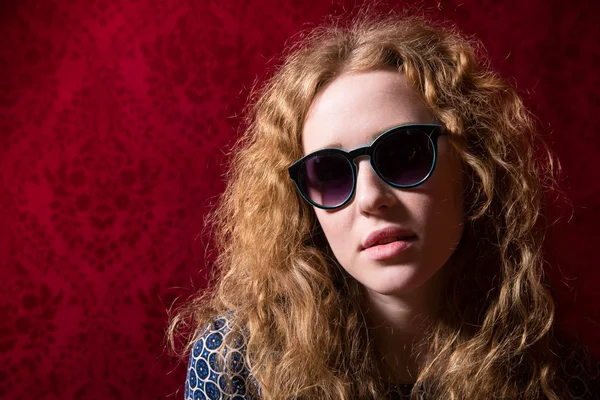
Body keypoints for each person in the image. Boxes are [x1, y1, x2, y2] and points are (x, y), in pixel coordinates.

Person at [168, 11, 599, 400]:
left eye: (405, 154)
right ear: (304, 206)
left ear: (474, 167)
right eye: (331, 173)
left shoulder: (555, 375)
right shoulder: (235, 363)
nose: (372, 198)